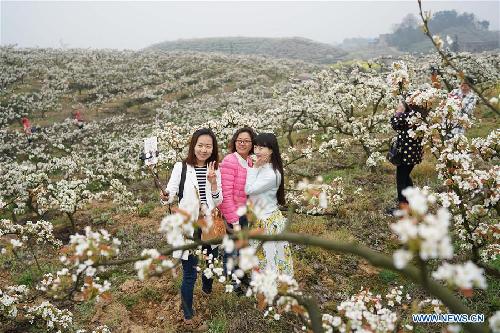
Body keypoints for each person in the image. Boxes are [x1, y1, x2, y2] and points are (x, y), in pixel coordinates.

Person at [160, 128, 222, 327]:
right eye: (200, 145)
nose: (204, 150)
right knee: (189, 273)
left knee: (210, 262)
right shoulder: (182, 167)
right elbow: (170, 194)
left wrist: (213, 183)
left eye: (208, 146)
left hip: (209, 225)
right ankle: (188, 314)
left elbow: (218, 200)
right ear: (193, 146)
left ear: (213, 148)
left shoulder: (215, 168)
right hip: (189, 227)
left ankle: (207, 289)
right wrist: (165, 195)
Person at [245, 133, 293, 276]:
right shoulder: (263, 166)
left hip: (267, 222)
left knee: (269, 259)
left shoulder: (272, 174)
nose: (257, 151)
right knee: (262, 258)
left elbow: (249, 189)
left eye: (262, 148)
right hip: (259, 219)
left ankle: (272, 290)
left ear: (271, 150)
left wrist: (254, 168)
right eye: (255, 147)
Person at [219, 127, 256, 293]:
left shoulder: (249, 162)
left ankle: (240, 275)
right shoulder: (230, 161)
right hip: (231, 213)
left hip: (244, 213)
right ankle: (231, 282)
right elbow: (225, 194)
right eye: (239, 140)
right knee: (231, 249)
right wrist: (233, 220)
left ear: (252, 144)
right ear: (235, 142)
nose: (242, 143)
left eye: (246, 141)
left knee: (242, 247)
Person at [388, 101, 428, 214]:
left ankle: (403, 208)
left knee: (401, 180)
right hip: (413, 154)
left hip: (406, 154)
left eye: (400, 104)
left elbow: (394, 124)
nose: (398, 106)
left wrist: (398, 113)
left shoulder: (406, 116)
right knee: (405, 177)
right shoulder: (417, 116)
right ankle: (410, 201)